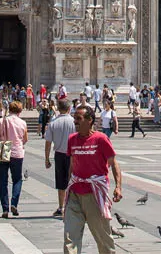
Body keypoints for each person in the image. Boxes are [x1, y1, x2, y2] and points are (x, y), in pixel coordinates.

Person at [63, 103, 123, 253]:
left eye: (78, 118)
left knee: (103, 239)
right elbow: (72, 164)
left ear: (89, 120)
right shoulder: (72, 139)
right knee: (70, 238)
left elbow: (113, 163)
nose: (75, 121)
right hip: (75, 193)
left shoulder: (100, 139)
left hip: (94, 195)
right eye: (74, 118)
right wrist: (68, 186)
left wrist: (118, 187)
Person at [0, 100, 28, 218]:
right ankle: (14, 203)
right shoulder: (23, 123)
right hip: (17, 153)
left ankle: (5, 208)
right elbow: (25, 139)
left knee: (2, 181)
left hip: (3, 151)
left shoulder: (1, 121)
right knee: (17, 179)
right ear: (20, 111)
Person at [45, 97, 76, 217]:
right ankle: (72, 206)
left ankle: (61, 206)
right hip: (73, 155)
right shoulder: (74, 122)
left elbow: (48, 142)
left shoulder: (53, 123)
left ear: (58, 109)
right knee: (72, 181)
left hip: (59, 155)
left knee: (61, 182)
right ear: (69, 108)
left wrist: (47, 158)